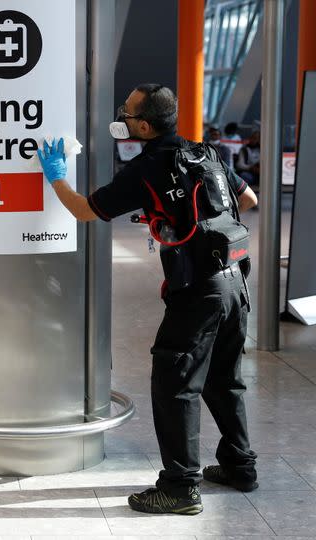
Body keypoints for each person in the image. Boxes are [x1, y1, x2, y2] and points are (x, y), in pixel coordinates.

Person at [37, 84, 259, 515]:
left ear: (142, 125)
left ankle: (179, 487)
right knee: (223, 379)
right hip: (236, 282)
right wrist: (182, 218)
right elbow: (246, 199)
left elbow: (85, 211)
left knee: (174, 383)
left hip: (199, 290)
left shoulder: (147, 168)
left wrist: (55, 175)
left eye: (129, 111)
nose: (122, 114)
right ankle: (239, 466)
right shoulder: (206, 152)